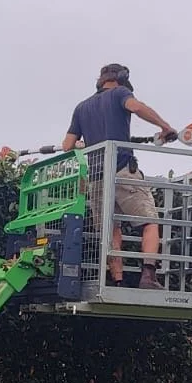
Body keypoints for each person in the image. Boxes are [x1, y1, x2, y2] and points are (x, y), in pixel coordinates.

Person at [62, 63, 177, 289]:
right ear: (122, 79)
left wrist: (86, 143)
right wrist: (165, 127)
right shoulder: (120, 93)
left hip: (96, 177)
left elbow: (67, 146)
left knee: (110, 228)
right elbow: (136, 107)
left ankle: (117, 281)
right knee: (150, 221)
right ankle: (148, 276)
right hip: (122, 168)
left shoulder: (81, 107)